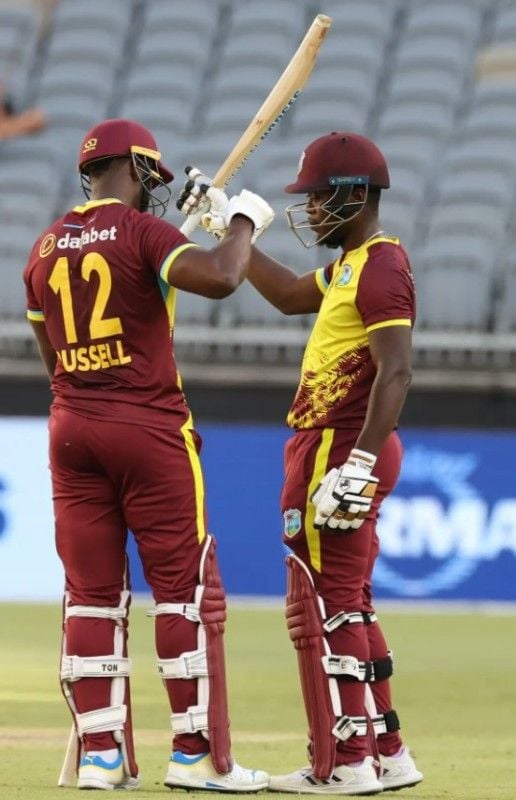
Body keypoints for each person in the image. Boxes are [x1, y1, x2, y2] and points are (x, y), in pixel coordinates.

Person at [22, 117, 274, 792]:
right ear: (132, 169)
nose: (152, 192)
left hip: (71, 430)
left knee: (92, 599)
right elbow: (223, 277)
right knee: (184, 593)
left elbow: (54, 361)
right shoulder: (141, 232)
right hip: (150, 430)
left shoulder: (43, 248)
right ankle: (198, 756)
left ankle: (102, 756)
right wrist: (243, 221)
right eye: (149, 179)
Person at [178, 131, 423, 795]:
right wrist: (226, 223)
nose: (309, 210)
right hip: (336, 446)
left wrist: (360, 464)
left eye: (317, 198)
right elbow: (287, 294)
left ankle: (347, 761)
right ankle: (386, 749)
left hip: (338, 445)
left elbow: (396, 372)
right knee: (353, 603)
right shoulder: (352, 266)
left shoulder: (379, 265)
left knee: (326, 604)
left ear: (353, 195)